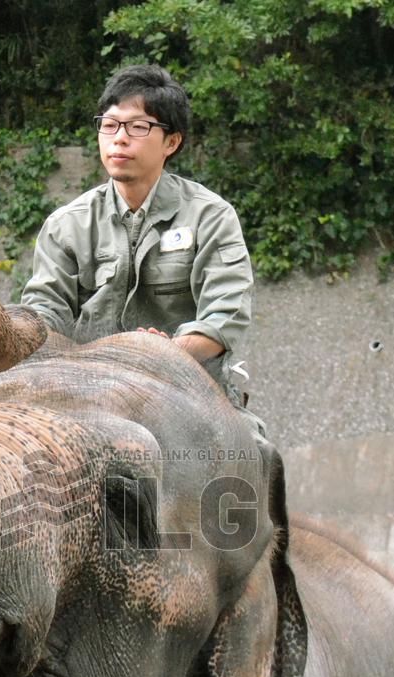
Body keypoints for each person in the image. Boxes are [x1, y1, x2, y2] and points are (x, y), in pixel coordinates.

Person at [21, 63, 265, 435]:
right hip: (87, 393)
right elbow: (44, 313)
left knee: (257, 450)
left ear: (172, 141)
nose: (119, 138)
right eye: (109, 124)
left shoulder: (210, 216)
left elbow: (223, 317)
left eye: (138, 127)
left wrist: (160, 357)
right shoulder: (67, 223)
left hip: (187, 391)